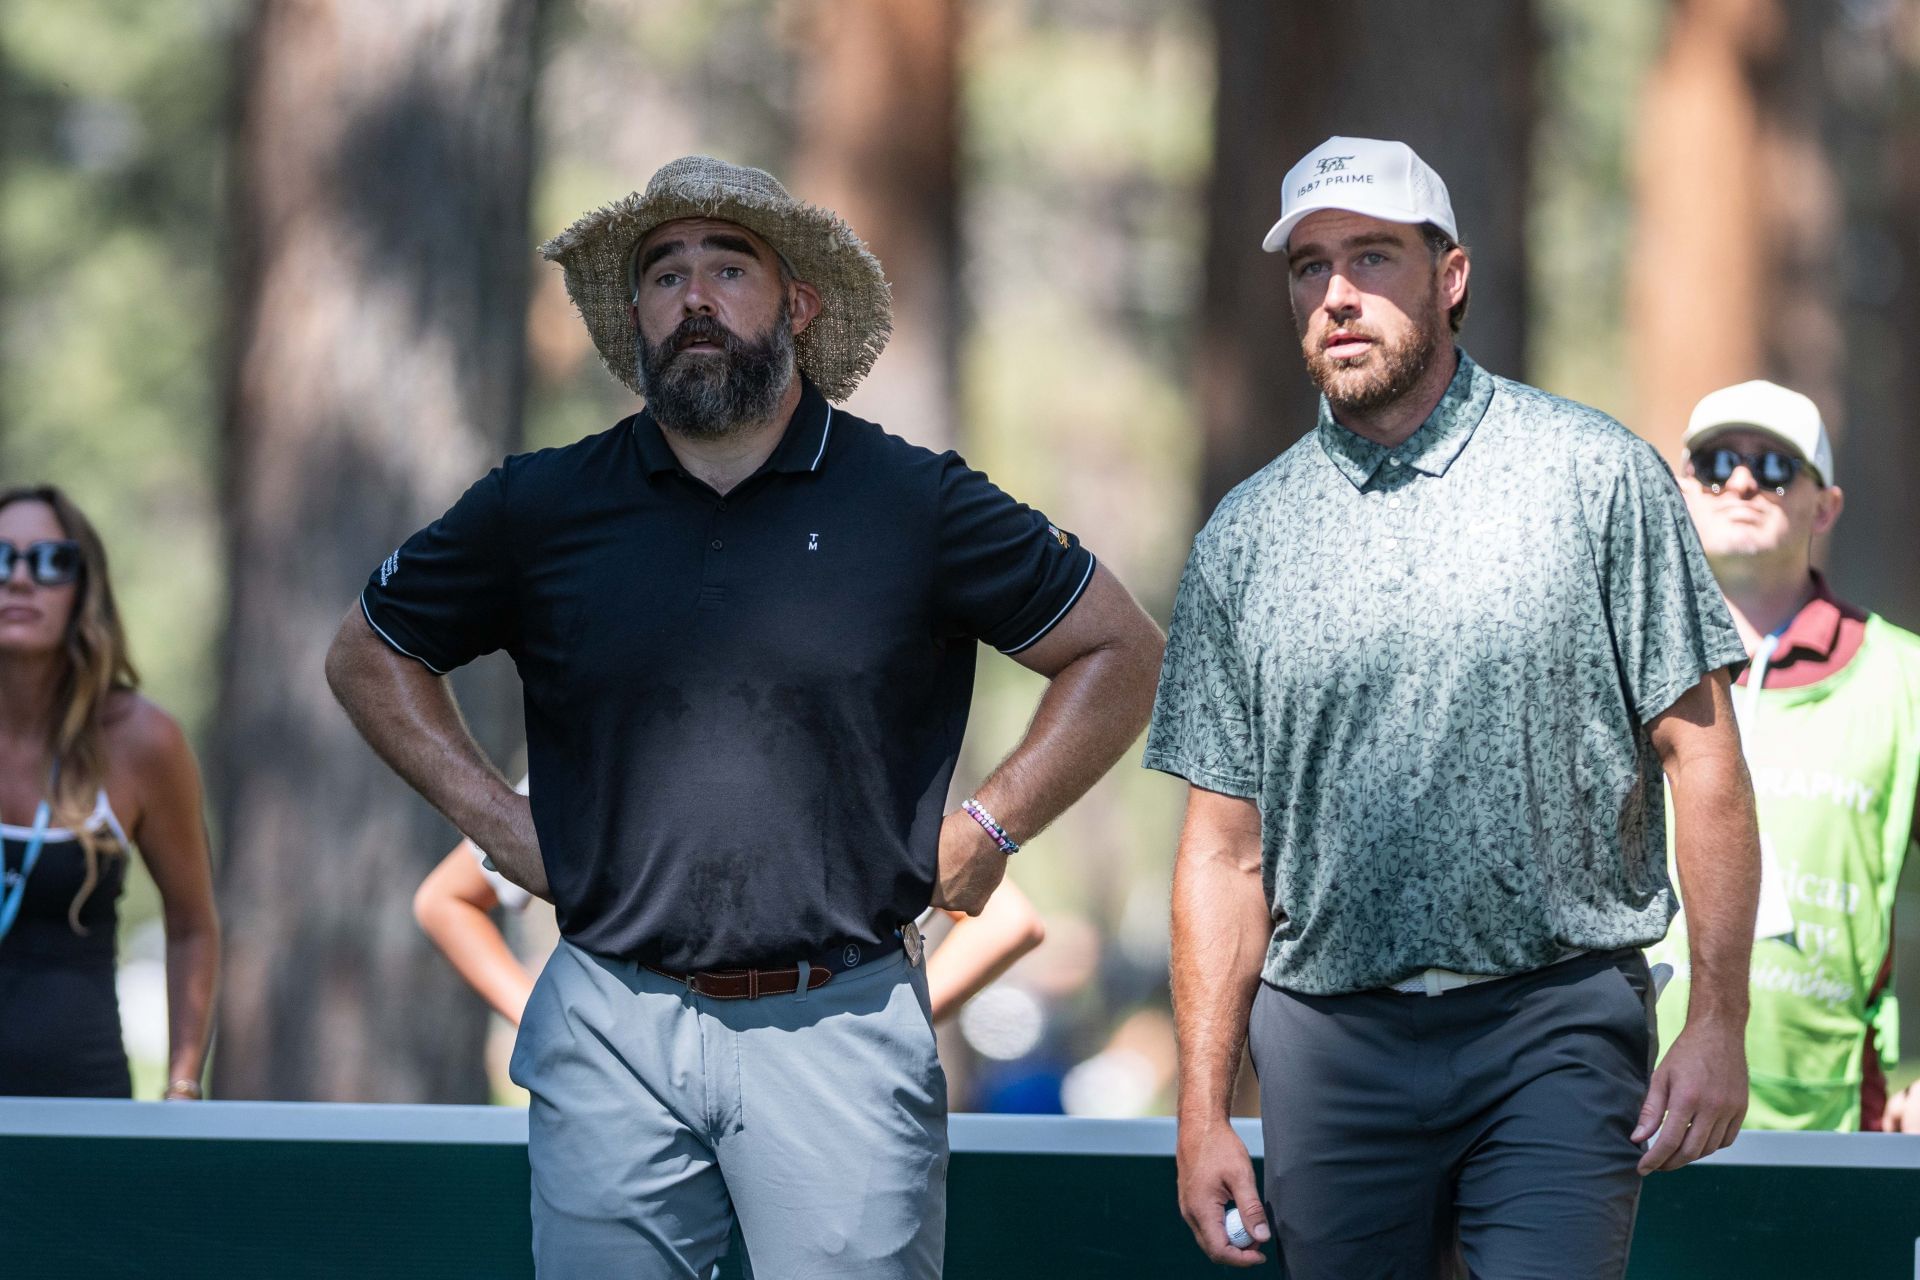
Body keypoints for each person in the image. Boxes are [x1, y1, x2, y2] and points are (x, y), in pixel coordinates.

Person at [327, 155, 1164, 1277]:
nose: (696, 297)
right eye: (666, 275)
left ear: (797, 303)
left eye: (730, 266)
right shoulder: (541, 504)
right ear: (636, 319)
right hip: (608, 1018)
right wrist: (498, 820)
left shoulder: (913, 501)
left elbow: (1121, 647)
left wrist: (994, 825)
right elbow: (368, 651)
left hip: (841, 1020)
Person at [1146, 136, 1761, 1278]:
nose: (1337, 296)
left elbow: (1703, 757)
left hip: (1556, 1023)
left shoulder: (1594, 475)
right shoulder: (1245, 536)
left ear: (1452, 275)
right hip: (1329, 1041)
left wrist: (1719, 1019)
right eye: (1310, 267)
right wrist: (1202, 1103)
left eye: (1373, 258)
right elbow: (1223, 853)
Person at [1653, 380, 1920, 1132]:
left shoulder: (1904, 678)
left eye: (1775, 466)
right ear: (1683, 490)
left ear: (1825, 506)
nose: (1741, 481)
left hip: (1831, 1121)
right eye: (1715, 463)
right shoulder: (1616, 664)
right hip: (1623, 1103)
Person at [414, 775, 1047, 1026]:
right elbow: (449, 898)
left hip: (817, 1083)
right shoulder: (605, 760)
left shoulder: (855, 760)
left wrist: (885, 1018)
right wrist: (543, 1023)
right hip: (636, 1080)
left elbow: (1011, 922)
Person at [0, 484, 219, 1099]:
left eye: (49, 561)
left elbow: (192, 924)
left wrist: (182, 1086)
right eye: (0, 559)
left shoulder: (142, 741)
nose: (19, 579)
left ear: (83, 590)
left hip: (81, 1111)